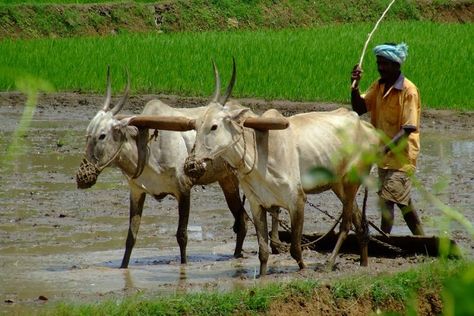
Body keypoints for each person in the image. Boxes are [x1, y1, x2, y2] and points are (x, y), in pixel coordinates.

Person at [350, 42, 425, 236]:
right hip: (384, 156)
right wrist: (354, 86)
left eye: (385, 63)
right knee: (403, 203)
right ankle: (423, 239)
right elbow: (359, 108)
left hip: (402, 156)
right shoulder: (379, 86)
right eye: (379, 63)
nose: (380, 67)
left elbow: (408, 129)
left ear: (396, 65)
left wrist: (384, 149)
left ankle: (385, 239)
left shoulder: (409, 91)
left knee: (387, 200)